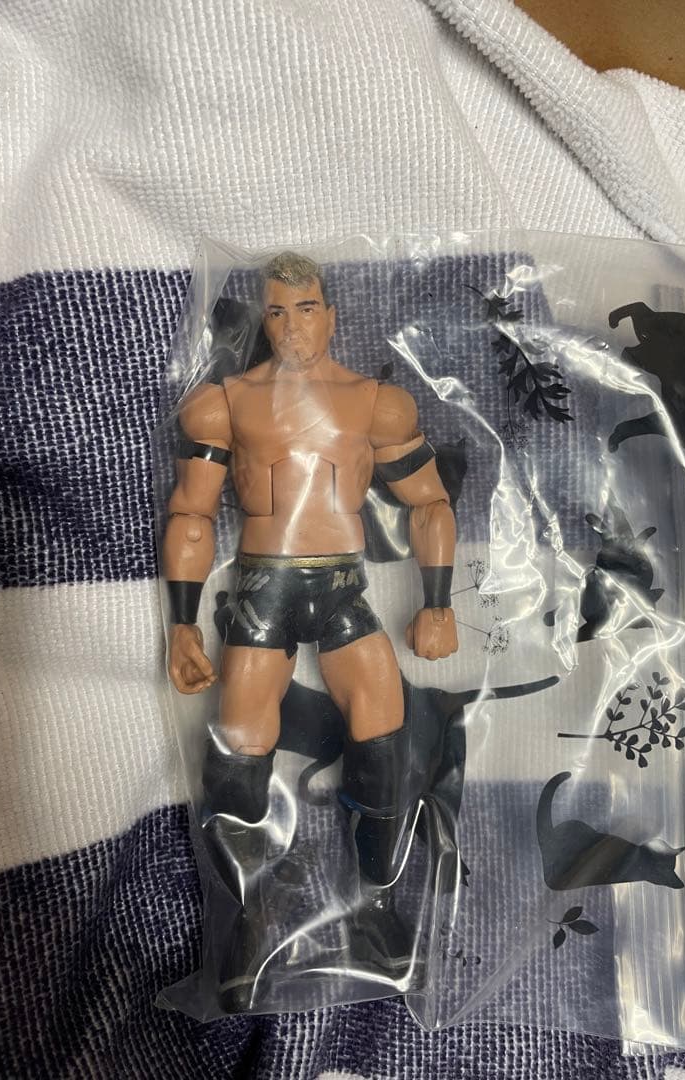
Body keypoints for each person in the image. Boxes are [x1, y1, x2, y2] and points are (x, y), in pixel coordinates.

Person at [163, 251, 457, 1009]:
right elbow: (192, 513)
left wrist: (438, 601)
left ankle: (377, 904)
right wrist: (182, 625)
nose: (292, 325)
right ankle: (246, 916)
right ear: (264, 320)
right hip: (263, 587)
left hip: (340, 585)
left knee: (383, 722)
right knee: (241, 735)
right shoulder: (223, 404)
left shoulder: (375, 405)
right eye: (276, 311)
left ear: (329, 315)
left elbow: (430, 502)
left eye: (305, 308)